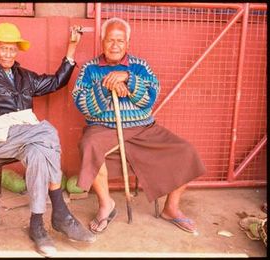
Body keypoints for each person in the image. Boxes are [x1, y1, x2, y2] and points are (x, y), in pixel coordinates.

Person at [0, 22, 95, 257]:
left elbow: (56, 82)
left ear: (18, 50)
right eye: (4, 48)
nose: (8, 53)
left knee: (39, 153)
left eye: (12, 49)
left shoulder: (23, 76)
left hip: (25, 137)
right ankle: (60, 211)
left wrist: (71, 48)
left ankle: (37, 225)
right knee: (48, 132)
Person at [72, 17, 206, 234]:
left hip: (143, 128)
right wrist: (106, 86)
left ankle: (171, 208)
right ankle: (107, 206)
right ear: (102, 41)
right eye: (110, 40)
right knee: (89, 146)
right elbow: (83, 106)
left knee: (186, 151)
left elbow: (149, 100)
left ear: (128, 42)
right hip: (104, 128)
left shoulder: (140, 67)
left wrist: (128, 79)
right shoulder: (89, 69)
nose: (115, 45)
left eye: (120, 40)